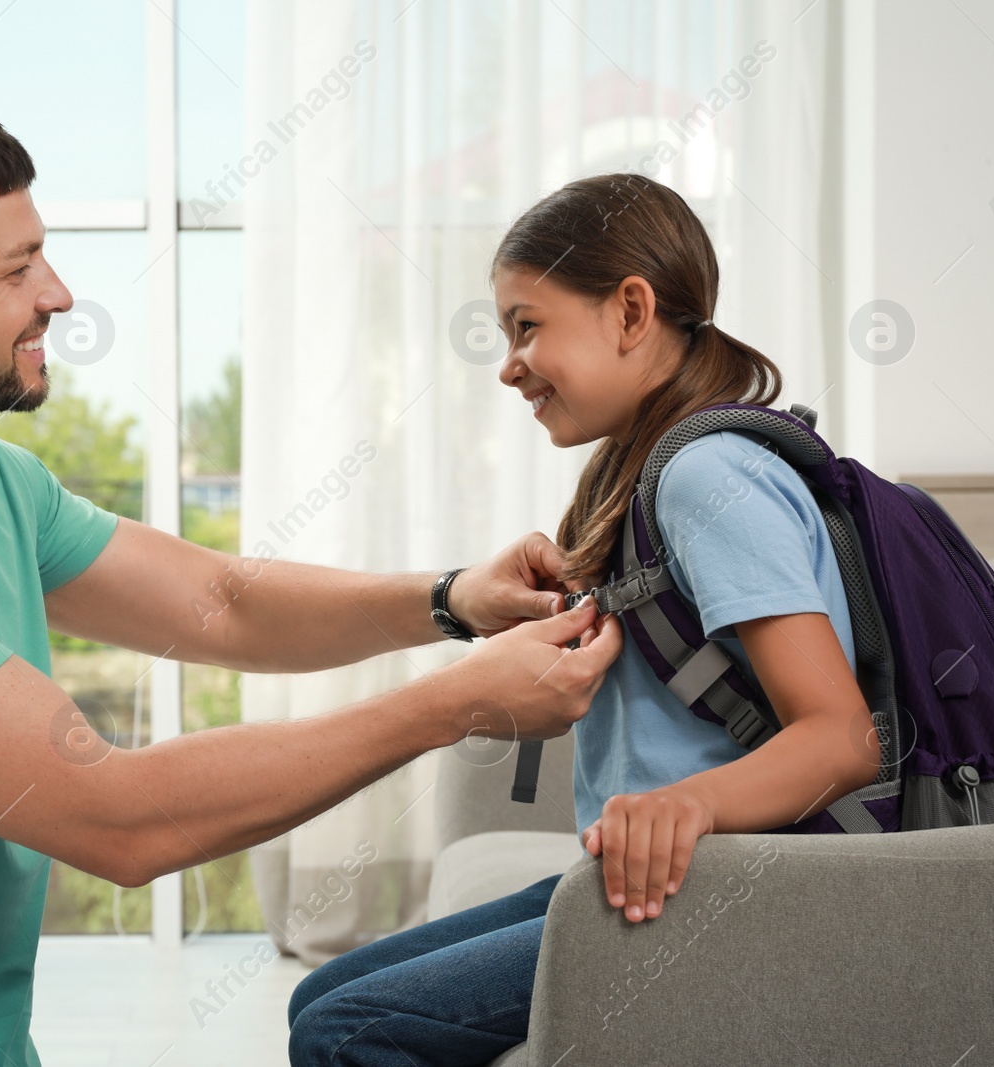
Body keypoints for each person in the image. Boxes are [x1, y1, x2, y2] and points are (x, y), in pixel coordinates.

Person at [0, 86, 623, 1067]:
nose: (59, 294)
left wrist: (450, 599)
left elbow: (221, 604)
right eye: (16, 267)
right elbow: (122, 817)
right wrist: (455, 705)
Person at [286, 173, 884, 1066]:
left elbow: (841, 738)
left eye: (528, 326)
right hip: (654, 872)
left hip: (728, 884)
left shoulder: (707, 475)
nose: (509, 363)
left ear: (630, 310)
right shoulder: (652, 469)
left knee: (345, 1032)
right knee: (318, 994)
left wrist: (678, 807)